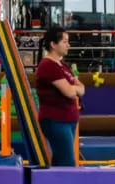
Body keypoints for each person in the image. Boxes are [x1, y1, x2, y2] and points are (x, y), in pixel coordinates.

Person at [35, 27, 85, 166]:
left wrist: (74, 88)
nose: (68, 45)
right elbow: (70, 92)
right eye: (64, 41)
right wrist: (74, 89)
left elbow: (81, 88)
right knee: (67, 161)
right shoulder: (48, 66)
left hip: (68, 119)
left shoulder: (62, 65)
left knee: (62, 159)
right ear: (53, 44)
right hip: (56, 119)